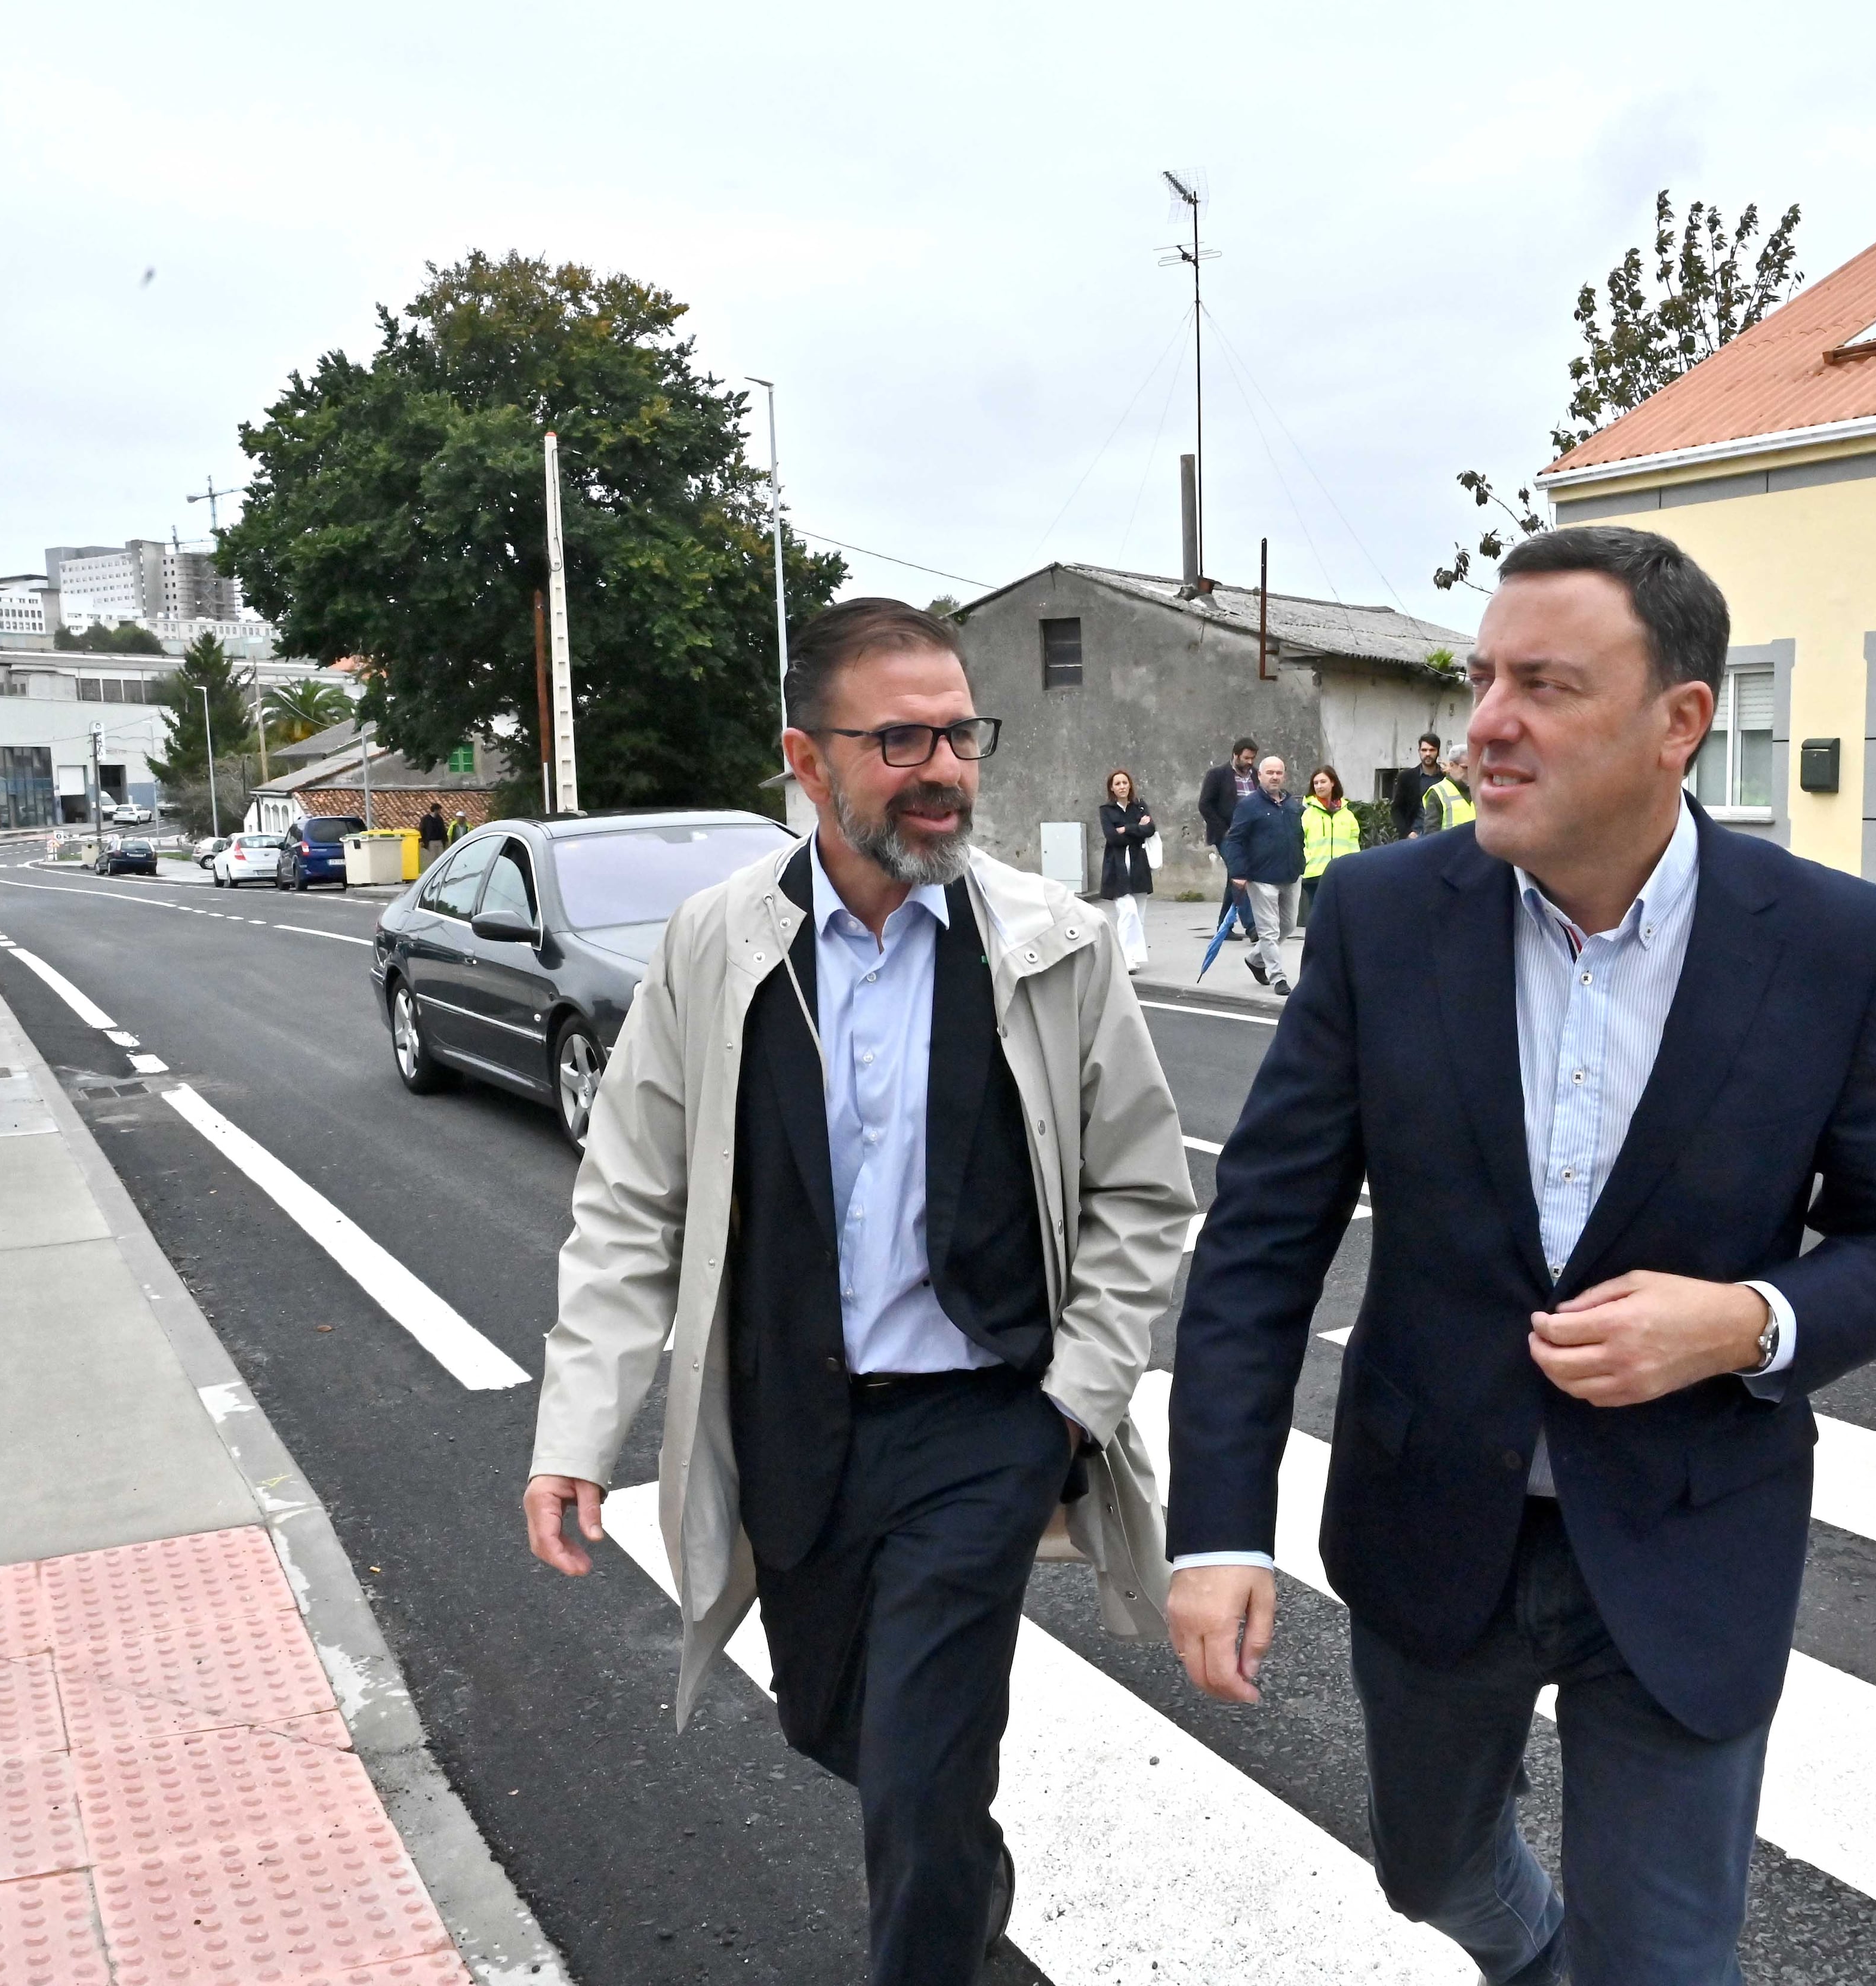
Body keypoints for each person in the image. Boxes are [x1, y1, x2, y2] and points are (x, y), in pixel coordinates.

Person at [1164, 527, 1876, 1985]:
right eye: (1482, 679)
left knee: (1663, 1960)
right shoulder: (1384, 917)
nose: (1486, 723)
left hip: (1685, 1530)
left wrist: (1743, 1320)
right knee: (1427, 1869)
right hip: (1432, 1520)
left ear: (1682, 721)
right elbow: (1262, 1243)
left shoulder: (1832, 945)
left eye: (1543, 683)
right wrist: (1221, 1523)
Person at [523, 597, 1190, 1986]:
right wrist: (578, 1430)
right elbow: (630, 1198)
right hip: (800, 1425)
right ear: (805, 758)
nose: (942, 765)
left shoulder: (1048, 945)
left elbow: (1141, 1194)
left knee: (925, 1760)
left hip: (985, 1426)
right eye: (899, 737)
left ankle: (937, 1908)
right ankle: (963, 1869)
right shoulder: (718, 945)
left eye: (959, 731)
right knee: (840, 1728)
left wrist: (1070, 1403)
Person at [1219, 752, 1301, 997]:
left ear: (1284, 776)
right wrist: (1239, 872)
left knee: (1288, 926)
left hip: (1290, 875)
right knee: (1268, 931)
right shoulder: (1249, 805)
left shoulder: (1292, 805)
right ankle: (1279, 977)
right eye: (1270, 773)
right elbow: (1234, 841)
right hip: (1262, 878)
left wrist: (1302, 862)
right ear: (1260, 775)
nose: (1275, 777)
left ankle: (1256, 959)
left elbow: (1299, 837)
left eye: (1279, 773)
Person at [1197, 737, 1260, 940]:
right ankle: (1252, 927)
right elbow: (1205, 805)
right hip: (1227, 835)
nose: (1250, 762)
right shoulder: (1217, 775)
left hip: (1251, 835)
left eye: (1253, 758)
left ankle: (1224, 927)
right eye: (1246, 758)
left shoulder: (1257, 776)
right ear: (1235, 755)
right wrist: (1224, 830)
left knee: (1234, 877)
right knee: (1241, 875)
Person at [1099, 768, 1156, 969]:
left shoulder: (1140, 806)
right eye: (1117, 784)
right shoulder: (1106, 810)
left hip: (1139, 865)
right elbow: (1112, 837)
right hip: (1117, 867)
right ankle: (1124, 956)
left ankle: (1133, 956)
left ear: (1130, 785)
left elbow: (1150, 829)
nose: (1122, 787)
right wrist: (1137, 828)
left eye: (1125, 783)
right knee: (1128, 911)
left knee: (1138, 915)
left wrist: (1127, 828)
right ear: (1112, 789)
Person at [1293, 765, 1358, 940]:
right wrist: (1305, 862)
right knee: (1319, 921)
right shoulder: (1306, 813)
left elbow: (1354, 844)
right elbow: (1298, 842)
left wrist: (1354, 869)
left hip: (1342, 875)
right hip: (1315, 874)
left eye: (1323, 782)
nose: (1319, 786)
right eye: (1316, 783)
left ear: (1333, 783)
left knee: (1342, 920)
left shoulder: (1347, 815)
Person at [1392, 732, 1447, 839]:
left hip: (1440, 836)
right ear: (1419, 751)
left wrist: (1453, 774)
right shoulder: (1407, 777)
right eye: (1424, 750)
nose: (1428, 754)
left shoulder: (1445, 777)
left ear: (1438, 752)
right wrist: (1407, 833)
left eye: (1432, 750)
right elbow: (1396, 810)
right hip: (1415, 837)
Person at [1420, 744, 1475, 833]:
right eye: (1465, 768)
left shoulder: (1478, 790)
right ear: (1452, 765)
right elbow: (1431, 834)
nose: (1470, 772)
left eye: (1473, 768)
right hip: (1450, 847)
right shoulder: (1438, 792)